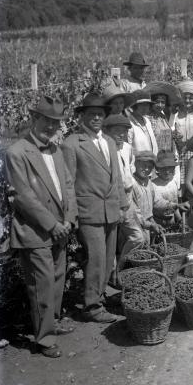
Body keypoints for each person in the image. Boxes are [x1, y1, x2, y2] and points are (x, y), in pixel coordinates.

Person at [5, 96, 78, 357]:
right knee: (42, 283)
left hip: (61, 227)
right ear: (34, 119)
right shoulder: (16, 153)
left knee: (58, 279)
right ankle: (44, 339)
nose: (51, 127)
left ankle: (52, 323)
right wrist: (52, 224)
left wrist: (68, 218)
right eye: (47, 120)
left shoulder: (56, 150)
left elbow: (68, 185)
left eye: (56, 122)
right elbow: (23, 197)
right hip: (35, 231)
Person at [61, 93, 127, 323]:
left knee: (108, 258)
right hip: (89, 211)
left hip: (111, 209)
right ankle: (91, 307)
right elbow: (67, 183)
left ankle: (99, 296)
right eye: (92, 114)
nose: (96, 118)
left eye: (100, 114)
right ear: (82, 116)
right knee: (97, 257)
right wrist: (71, 216)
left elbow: (116, 177)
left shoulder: (108, 141)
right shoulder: (72, 144)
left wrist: (122, 205)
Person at [118, 151, 165, 265]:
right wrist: (150, 224)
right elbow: (134, 212)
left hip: (147, 226)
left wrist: (173, 205)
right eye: (143, 166)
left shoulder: (149, 183)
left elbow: (157, 201)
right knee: (134, 246)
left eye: (150, 167)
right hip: (133, 226)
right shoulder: (132, 184)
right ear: (136, 164)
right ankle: (120, 268)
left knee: (142, 255)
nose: (146, 169)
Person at [103, 114, 135, 204]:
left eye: (124, 131)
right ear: (106, 131)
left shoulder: (127, 147)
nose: (121, 135)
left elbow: (131, 166)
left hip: (129, 190)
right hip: (114, 194)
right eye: (117, 131)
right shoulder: (105, 149)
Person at [152, 151, 190, 227]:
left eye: (170, 168)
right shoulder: (153, 185)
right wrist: (178, 205)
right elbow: (158, 204)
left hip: (171, 221)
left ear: (173, 168)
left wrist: (180, 220)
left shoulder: (173, 182)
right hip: (158, 223)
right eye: (163, 168)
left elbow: (175, 205)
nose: (167, 171)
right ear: (158, 168)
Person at [146, 81, 180, 156]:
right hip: (154, 155)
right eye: (157, 102)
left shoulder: (162, 117)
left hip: (166, 156)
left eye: (163, 102)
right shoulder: (147, 118)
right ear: (151, 102)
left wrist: (173, 135)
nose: (160, 105)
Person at [127, 90, 158, 156]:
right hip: (138, 163)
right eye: (142, 105)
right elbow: (128, 149)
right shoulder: (129, 124)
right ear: (134, 106)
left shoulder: (147, 121)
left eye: (147, 105)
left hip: (152, 162)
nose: (145, 108)